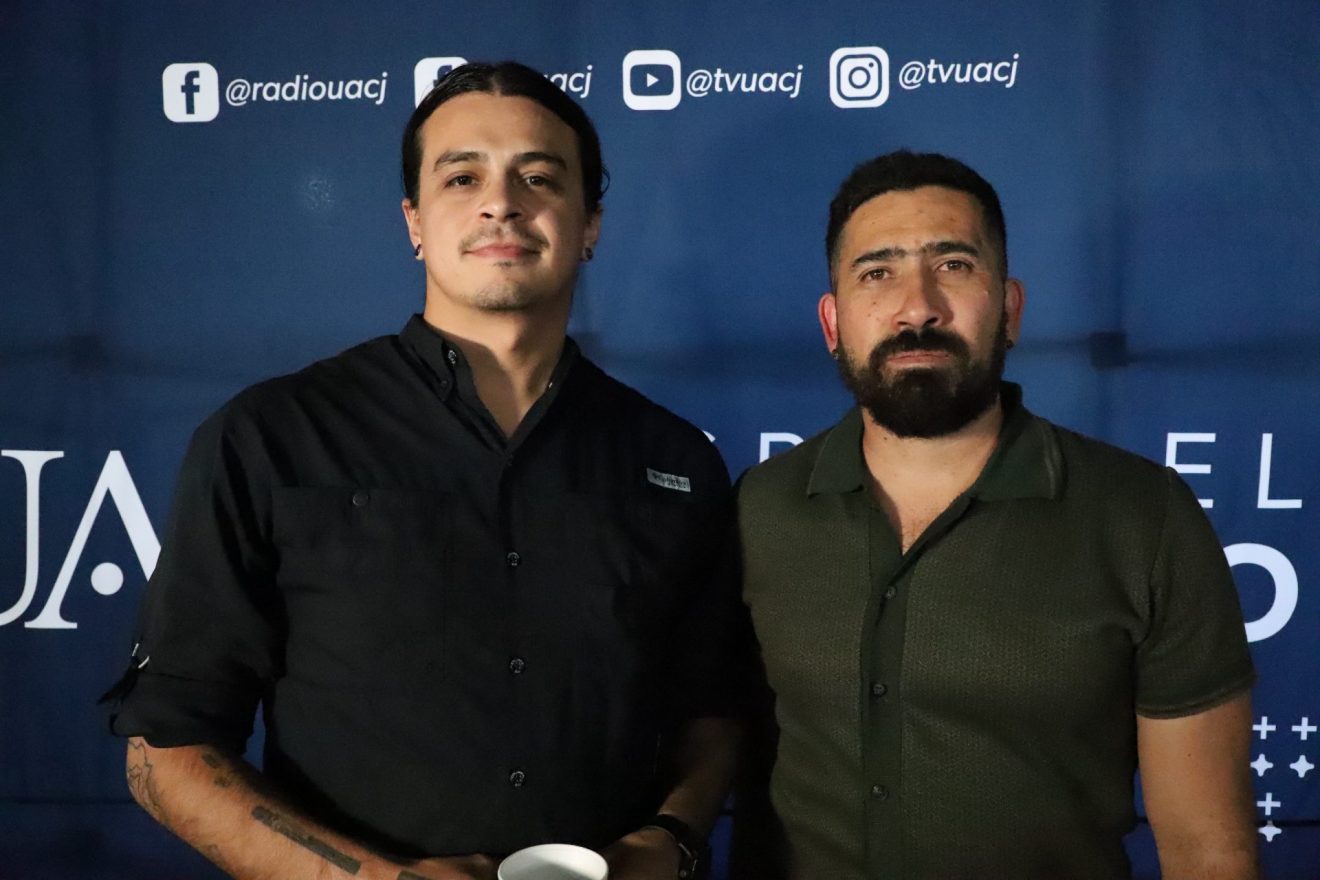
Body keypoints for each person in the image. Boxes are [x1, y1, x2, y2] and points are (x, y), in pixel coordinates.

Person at [105, 62, 739, 880]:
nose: (501, 202)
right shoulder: (271, 438)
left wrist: (671, 840)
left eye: (539, 177)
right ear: (414, 221)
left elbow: (712, 713)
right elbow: (166, 752)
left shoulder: (675, 462)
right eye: (462, 176)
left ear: (590, 225)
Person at [731, 150, 1259, 880]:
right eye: (877, 273)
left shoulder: (1144, 518)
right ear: (832, 322)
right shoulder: (759, 507)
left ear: (1010, 309)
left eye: (953, 265)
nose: (918, 307)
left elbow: (1208, 851)